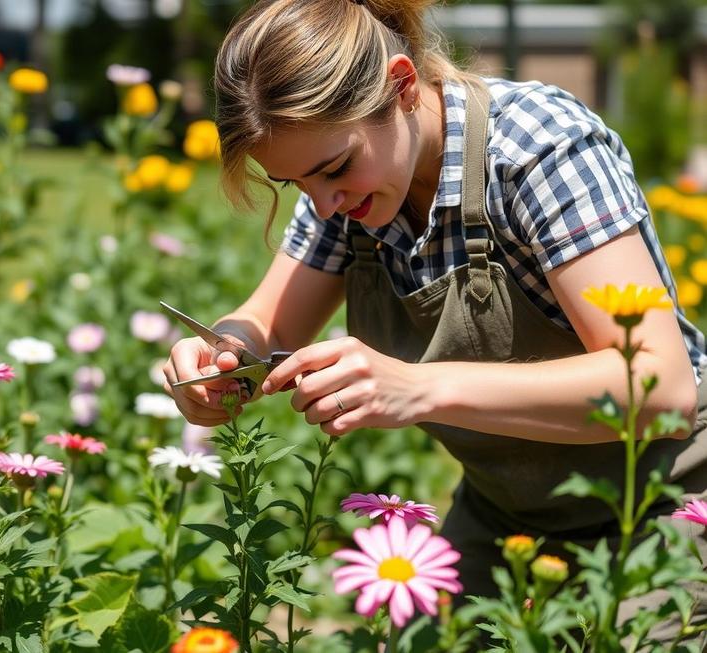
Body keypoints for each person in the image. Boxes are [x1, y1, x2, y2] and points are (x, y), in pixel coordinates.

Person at [162, 0, 707, 640]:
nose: (325, 203)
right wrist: (225, 358)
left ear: (400, 84)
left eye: (334, 169)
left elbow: (660, 386)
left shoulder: (541, 150)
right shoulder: (346, 194)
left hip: (669, 503)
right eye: (295, 186)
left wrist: (417, 387)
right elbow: (267, 322)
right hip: (508, 516)